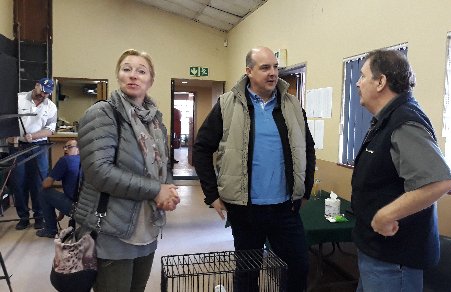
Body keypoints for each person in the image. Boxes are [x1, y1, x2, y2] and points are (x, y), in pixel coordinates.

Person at [193, 46, 316, 292]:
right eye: (265, 67)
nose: (273, 73)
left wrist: (305, 190)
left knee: (298, 266)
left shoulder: (292, 105)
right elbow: (202, 148)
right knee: (248, 273)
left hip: (285, 209)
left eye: (275, 67)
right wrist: (212, 195)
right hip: (245, 209)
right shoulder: (227, 104)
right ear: (248, 71)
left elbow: (308, 148)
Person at [74, 49, 180, 291]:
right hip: (112, 228)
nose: (133, 75)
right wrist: (155, 191)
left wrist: (169, 190)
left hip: (147, 226)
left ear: (150, 80)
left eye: (141, 71)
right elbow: (99, 172)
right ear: (118, 76)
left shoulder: (155, 121)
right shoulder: (102, 114)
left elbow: (161, 165)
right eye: (127, 69)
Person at [351, 49, 451, 292]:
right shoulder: (386, 119)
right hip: (376, 253)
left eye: (363, 76)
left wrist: (385, 215)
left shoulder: (405, 120)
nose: (357, 83)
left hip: (394, 260)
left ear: (380, 82)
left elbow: (439, 182)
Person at [9, 77, 57, 230]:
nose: (43, 95)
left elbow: (50, 129)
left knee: (38, 183)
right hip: (18, 146)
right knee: (18, 182)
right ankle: (23, 217)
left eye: (47, 94)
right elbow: (7, 120)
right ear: (36, 85)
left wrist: (34, 136)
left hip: (38, 146)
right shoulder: (18, 98)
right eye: (42, 91)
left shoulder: (51, 107)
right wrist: (12, 135)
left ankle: (39, 216)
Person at [36, 139, 80, 238]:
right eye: (64, 147)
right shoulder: (87, 161)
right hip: (91, 211)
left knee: (44, 192)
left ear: (79, 149)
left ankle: (50, 229)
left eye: (69, 147)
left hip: (76, 209)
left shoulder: (65, 160)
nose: (65, 149)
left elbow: (46, 184)